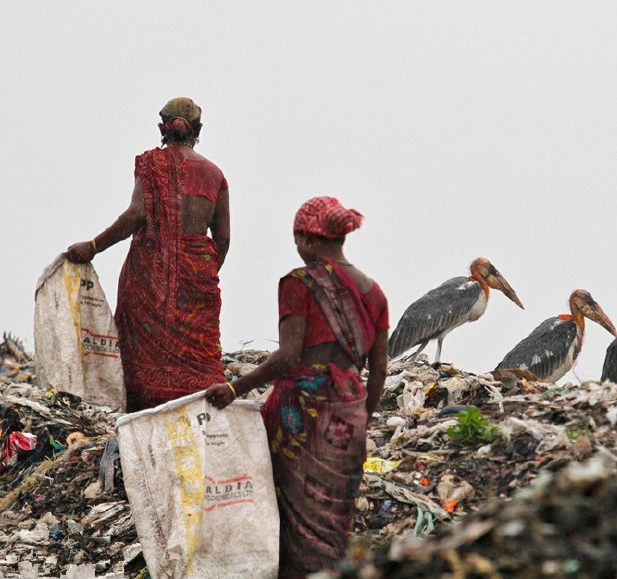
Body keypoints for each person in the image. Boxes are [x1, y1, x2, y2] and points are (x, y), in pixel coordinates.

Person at [205, 196, 389, 578]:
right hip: (350, 410)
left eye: (296, 239)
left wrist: (235, 389)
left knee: (291, 514)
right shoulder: (375, 293)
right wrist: (361, 416)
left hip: (301, 414)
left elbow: (287, 356)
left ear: (307, 239)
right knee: (336, 519)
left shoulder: (298, 283)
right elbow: (380, 369)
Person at [67, 97, 230, 411]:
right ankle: (202, 413)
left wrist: (93, 246)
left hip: (147, 277)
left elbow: (136, 214)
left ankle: (142, 421)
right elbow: (222, 239)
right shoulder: (215, 174)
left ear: (162, 127)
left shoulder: (151, 164)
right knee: (201, 365)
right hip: (198, 280)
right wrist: (201, 275)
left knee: (140, 361)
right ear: (199, 129)